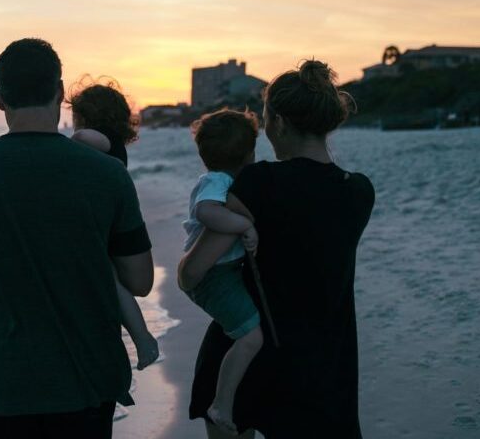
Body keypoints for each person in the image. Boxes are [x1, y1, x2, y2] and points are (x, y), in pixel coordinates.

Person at [0, 38, 155, 439]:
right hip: (90, 378)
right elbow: (140, 280)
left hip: (9, 382)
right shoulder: (106, 173)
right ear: (60, 93)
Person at [179, 60, 375, 438]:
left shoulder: (260, 182)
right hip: (324, 365)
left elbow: (191, 273)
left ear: (280, 122)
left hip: (246, 353)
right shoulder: (358, 191)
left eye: (267, 119)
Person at [177, 108, 263, 434]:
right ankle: (222, 403)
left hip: (219, 272)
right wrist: (243, 224)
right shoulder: (218, 181)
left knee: (247, 335)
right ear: (250, 153)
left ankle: (222, 402)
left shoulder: (222, 178)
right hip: (214, 276)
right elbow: (206, 211)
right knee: (250, 337)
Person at [67, 76, 160, 370]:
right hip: (104, 221)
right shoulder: (116, 144)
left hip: (99, 225)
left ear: (86, 116)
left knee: (111, 280)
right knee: (112, 282)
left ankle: (143, 337)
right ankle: (141, 336)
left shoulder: (103, 138)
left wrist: (62, 143)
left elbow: (85, 139)